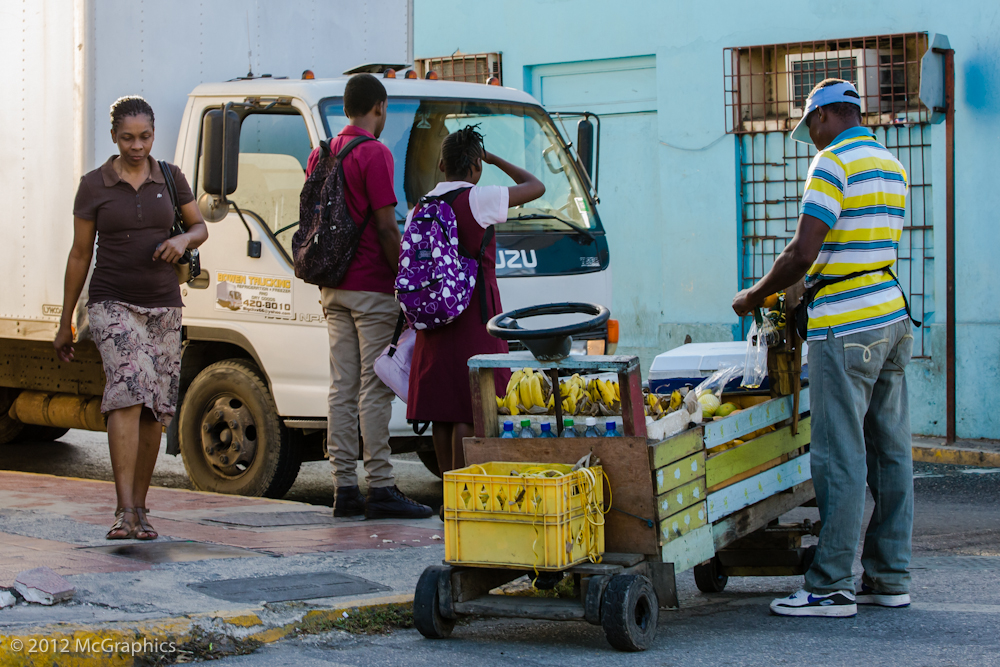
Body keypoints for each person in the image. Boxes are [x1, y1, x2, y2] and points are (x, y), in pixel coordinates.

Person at [732, 79, 915, 617]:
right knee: (891, 452)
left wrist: (754, 295)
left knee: (839, 454)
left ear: (827, 117)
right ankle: (889, 575)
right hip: (892, 319)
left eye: (811, 125)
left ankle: (831, 583)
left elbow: (802, 251)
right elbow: (864, 245)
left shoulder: (833, 163)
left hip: (845, 327)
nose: (811, 137)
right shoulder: (891, 165)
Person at [54, 96, 208, 540]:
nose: (137, 146)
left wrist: (184, 243)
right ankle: (123, 510)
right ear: (113, 136)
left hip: (163, 306)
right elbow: (80, 253)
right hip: (112, 301)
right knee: (127, 390)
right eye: (127, 138)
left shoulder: (170, 176)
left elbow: (199, 226)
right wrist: (65, 320)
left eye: (144, 137)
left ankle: (141, 508)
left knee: (155, 408)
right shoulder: (93, 185)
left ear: (153, 135)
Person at [305, 74, 432, 519]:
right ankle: (380, 485)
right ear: (378, 107)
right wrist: (407, 279)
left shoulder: (319, 153)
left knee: (342, 387)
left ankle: (344, 488)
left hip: (332, 286)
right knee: (375, 389)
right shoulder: (375, 153)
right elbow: (385, 225)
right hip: (372, 288)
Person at [406, 125, 545, 474]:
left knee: (442, 410)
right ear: (475, 167)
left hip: (433, 317)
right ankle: (461, 493)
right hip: (474, 316)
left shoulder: (419, 208)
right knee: (471, 408)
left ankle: (446, 490)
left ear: (441, 164)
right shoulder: (479, 199)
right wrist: (495, 159)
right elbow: (535, 187)